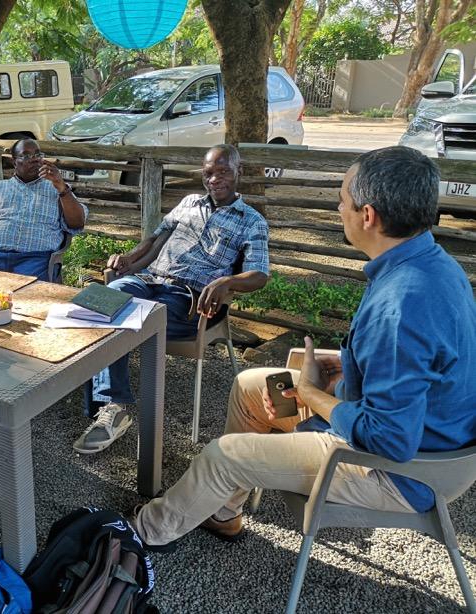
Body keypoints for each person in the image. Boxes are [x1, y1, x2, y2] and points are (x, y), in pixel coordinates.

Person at [131, 145, 476, 549]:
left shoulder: (401, 303)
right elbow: (416, 369)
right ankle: (223, 512)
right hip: (418, 435)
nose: (338, 209)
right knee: (251, 387)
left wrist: (314, 395)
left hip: (400, 472)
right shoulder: (428, 263)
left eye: (342, 201)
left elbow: (388, 440)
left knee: (221, 457)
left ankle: (142, 534)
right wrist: (348, 369)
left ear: (369, 216)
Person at [73, 144, 269, 454]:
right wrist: (128, 257)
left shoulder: (252, 221)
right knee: (100, 302)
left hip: (186, 299)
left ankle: (113, 406)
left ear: (239, 172)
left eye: (223, 172)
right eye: (208, 174)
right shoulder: (189, 202)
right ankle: (109, 401)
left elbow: (260, 274)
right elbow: (154, 239)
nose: (214, 180)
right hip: (148, 280)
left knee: (122, 315)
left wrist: (227, 281)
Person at [0, 138, 88, 280]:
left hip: (35, 260)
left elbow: (77, 223)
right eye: (26, 156)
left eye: (38, 155)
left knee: (30, 294)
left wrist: (61, 187)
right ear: (14, 162)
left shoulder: (57, 189)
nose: (34, 160)